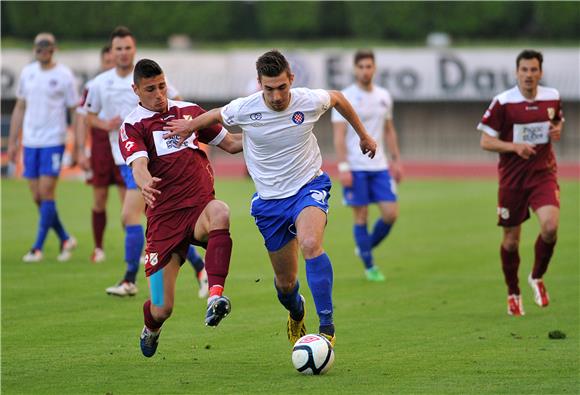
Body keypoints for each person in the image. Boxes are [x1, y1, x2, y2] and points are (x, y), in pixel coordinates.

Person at [164, 49, 377, 348]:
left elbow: (338, 98)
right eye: (269, 89)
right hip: (270, 203)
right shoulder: (245, 108)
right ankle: (296, 311)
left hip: (307, 186)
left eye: (282, 87)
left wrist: (364, 136)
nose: (276, 96)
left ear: (291, 79)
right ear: (259, 84)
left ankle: (327, 327)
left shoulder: (308, 101)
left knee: (311, 243)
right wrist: (188, 127)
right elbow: (214, 115)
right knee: (286, 285)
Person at [119, 59, 242, 357]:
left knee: (221, 212)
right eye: (150, 89)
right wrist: (144, 182)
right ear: (136, 89)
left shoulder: (190, 112)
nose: (159, 94)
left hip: (199, 208)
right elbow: (139, 165)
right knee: (162, 307)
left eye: (162, 86)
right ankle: (151, 328)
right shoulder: (133, 125)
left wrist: (272, 132)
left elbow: (232, 144)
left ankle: (214, 296)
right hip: (164, 222)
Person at [84, 26, 208, 297]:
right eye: (118, 48)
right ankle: (200, 268)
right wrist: (104, 124)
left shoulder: (149, 76)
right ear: (111, 51)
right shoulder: (99, 83)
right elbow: (88, 114)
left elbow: (176, 106)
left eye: (128, 48)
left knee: (129, 216)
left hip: (149, 161)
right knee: (150, 220)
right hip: (120, 158)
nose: (124, 53)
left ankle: (129, 279)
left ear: (134, 49)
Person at [477, 49, 564, 316]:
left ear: (540, 72)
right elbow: (485, 141)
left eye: (533, 70)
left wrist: (557, 130)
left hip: (543, 174)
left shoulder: (552, 97)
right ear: (517, 72)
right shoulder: (503, 103)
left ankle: (536, 277)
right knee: (511, 241)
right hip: (513, 180)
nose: (529, 75)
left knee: (550, 227)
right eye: (524, 70)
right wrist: (514, 147)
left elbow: (557, 123)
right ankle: (513, 291)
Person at [331, 50, 403, 282]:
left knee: (391, 214)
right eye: (361, 66)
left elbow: (389, 129)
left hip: (380, 166)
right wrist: (343, 167)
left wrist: (396, 160)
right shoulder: (345, 97)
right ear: (355, 69)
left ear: (374, 68)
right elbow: (339, 136)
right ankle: (370, 266)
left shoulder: (384, 96)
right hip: (355, 166)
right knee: (361, 215)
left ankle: (364, 247)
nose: (365, 70)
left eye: (369, 66)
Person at [7, 32, 79, 262]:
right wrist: (13, 140)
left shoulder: (64, 75)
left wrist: (76, 143)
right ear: (34, 48)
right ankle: (65, 238)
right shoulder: (28, 73)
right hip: (30, 142)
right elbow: (20, 106)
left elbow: (73, 110)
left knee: (47, 192)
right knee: (37, 196)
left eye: (47, 46)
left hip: (53, 141)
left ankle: (37, 248)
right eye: (39, 46)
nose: (43, 50)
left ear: (54, 48)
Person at [76, 44, 126, 263]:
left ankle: (138, 248)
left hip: (124, 147)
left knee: (129, 202)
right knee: (99, 199)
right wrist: (80, 150)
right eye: (106, 62)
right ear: (102, 62)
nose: (110, 65)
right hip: (100, 148)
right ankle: (98, 247)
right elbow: (83, 117)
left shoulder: (128, 83)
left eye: (112, 62)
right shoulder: (94, 85)